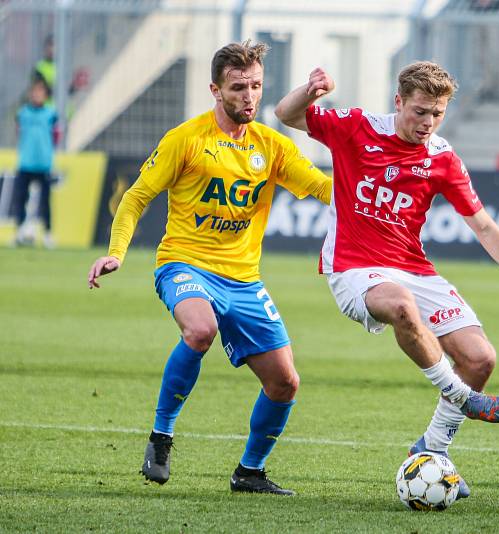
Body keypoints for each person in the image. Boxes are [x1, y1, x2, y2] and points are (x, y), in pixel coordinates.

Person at [274, 61, 499, 498]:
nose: (428, 123)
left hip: (413, 266)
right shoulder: (357, 128)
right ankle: (462, 398)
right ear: (398, 101)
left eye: (437, 114)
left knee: (481, 358)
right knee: (401, 305)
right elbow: (285, 114)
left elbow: (484, 227)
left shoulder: (441, 157)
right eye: (419, 111)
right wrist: (311, 89)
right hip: (354, 267)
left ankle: (432, 450)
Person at [87, 41, 332, 495]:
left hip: (243, 279)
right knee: (200, 331)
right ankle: (161, 436)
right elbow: (137, 197)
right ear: (215, 90)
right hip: (185, 264)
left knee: (285, 382)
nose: (249, 96)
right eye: (238, 87)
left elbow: (322, 187)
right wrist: (116, 251)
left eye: (256, 86)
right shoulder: (187, 139)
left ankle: (249, 473)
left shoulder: (272, 146)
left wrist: (376, 190)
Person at [12, 79, 58, 248]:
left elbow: (56, 136)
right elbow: (18, 132)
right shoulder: (22, 113)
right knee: (20, 198)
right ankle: (20, 231)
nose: (37, 94)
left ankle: (47, 233)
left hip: (44, 163)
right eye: (34, 91)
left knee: (45, 201)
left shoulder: (51, 114)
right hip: (26, 162)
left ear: (45, 95)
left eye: (40, 92)